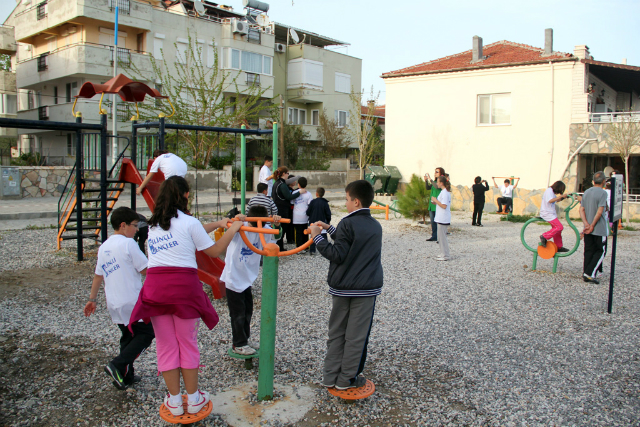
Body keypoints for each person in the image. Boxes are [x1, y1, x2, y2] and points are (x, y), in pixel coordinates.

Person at [128, 176, 243, 417]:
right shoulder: (189, 222)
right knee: (187, 343)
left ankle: (174, 400)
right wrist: (232, 227)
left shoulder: (153, 225)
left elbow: (192, 231)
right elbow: (213, 250)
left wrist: (218, 223)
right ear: (185, 195)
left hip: (156, 288)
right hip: (183, 288)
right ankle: (193, 398)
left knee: (166, 345)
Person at [309, 180, 383, 390]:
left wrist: (318, 237)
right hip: (366, 290)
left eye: (347, 199)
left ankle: (330, 376)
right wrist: (329, 229)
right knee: (356, 336)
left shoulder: (347, 223)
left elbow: (337, 253)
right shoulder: (375, 226)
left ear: (356, 202)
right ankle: (346, 379)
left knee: (337, 332)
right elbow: (352, 242)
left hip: (342, 289)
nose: (346, 203)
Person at [84, 207, 154, 390]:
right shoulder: (128, 243)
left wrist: (92, 299)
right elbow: (146, 269)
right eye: (134, 225)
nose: (137, 229)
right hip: (132, 301)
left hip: (114, 302)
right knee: (147, 333)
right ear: (123, 226)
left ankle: (126, 376)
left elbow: (98, 275)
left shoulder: (104, 246)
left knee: (128, 336)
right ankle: (117, 364)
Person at [220, 206, 281, 355]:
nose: (258, 225)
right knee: (237, 313)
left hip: (247, 278)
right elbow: (227, 230)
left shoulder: (265, 228)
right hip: (233, 276)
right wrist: (237, 219)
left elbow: (277, 237)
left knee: (248, 311)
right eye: (255, 222)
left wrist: (277, 224)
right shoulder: (242, 226)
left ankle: (245, 339)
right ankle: (239, 343)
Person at [580, 171, 609, 284]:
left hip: (587, 227)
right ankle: (590, 273)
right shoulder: (603, 193)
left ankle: (586, 272)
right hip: (599, 228)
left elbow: (581, 209)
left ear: (593, 181)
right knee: (601, 251)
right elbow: (600, 211)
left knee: (588, 250)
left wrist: (586, 224)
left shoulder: (586, 192)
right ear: (604, 182)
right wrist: (592, 225)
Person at [272, 167, 302, 251]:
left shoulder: (277, 182)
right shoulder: (282, 185)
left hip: (277, 208)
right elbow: (289, 196)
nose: (288, 175)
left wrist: (297, 177)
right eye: (287, 173)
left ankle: (278, 245)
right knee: (283, 228)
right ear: (284, 174)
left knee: (279, 227)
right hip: (282, 209)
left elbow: (288, 181)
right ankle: (280, 247)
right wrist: (300, 192)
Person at [539, 180, 570, 253]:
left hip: (551, 213)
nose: (559, 192)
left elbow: (555, 200)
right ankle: (544, 236)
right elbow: (550, 200)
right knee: (559, 227)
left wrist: (563, 197)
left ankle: (559, 246)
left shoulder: (551, 192)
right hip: (547, 213)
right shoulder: (549, 191)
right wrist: (561, 196)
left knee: (557, 230)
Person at [431, 176, 452, 261]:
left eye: (438, 182)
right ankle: (443, 253)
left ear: (441, 183)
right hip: (440, 218)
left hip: (443, 218)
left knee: (442, 238)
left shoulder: (445, 193)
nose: (437, 184)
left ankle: (446, 255)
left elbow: (444, 206)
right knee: (440, 237)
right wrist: (435, 202)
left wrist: (435, 200)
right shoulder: (443, 192)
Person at [306, 187, 332, 255]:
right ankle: (325, 250)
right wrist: (328, 221)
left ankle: (312, 250)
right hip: (322, 222)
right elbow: (328, 214)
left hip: (313, 222)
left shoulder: (312, 202)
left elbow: (308, 212)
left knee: (313, 236)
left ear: (316, 193)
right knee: (323, 235)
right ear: (323, 194)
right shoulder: (325, 203)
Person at [424, 167, 445, 242]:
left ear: (441, 173)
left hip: (438, 204)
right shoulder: (434, 182)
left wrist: (430, 179)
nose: (435, 173)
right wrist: (426, 181)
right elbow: (428, 188)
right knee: (433, 222)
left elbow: (437, 186)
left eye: (437, 172)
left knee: (438, 222)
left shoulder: (441, 182)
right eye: (435, 171)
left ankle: (440, 237)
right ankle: (434, 236)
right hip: (432, 204)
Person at [292, 177, 313, 252]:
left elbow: (291, 202)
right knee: (305, 231)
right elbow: (310, 205)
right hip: (305, 216)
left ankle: (299, 248)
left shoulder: (295, 193)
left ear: (298, 184)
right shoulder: (309, 194)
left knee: (298, 233)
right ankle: (306, 246)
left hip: (296, 216)